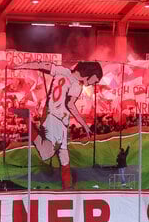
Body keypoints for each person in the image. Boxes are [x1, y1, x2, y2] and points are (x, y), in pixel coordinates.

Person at [14, 60, 102, 191]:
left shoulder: (61, 71)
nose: (94, 83)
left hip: (60, 121)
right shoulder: (77, 86)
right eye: (95, 80)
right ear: (91, 73)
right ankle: (27, 118)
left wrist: (18, 66)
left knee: (64, 158)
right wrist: (84, 125)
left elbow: (40, 65)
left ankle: (68, 187)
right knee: (46, 153)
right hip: (54, 119)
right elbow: (70, 105)